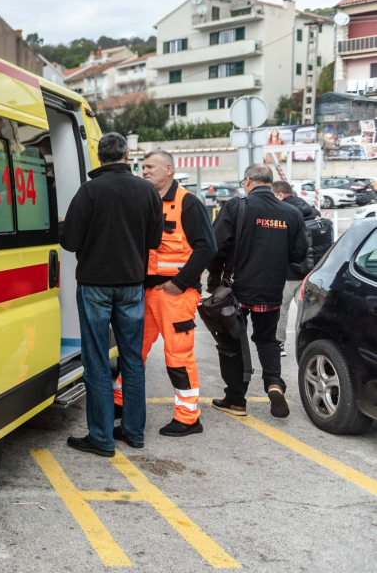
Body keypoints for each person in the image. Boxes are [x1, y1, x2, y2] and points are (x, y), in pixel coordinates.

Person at [60, 133, 163, 456]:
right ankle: (133, 433)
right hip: (132, 285)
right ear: (126, 155)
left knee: (96, 361)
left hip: (95, 286)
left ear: (99, 158)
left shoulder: (89, 191)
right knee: (133, 359)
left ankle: (101, 438)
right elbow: (155, 240)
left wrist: (66, 226)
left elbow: (71, 242)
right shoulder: (147, 191)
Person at [114, 151, 216, 437]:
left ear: (169, 169)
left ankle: (188, 417)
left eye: (149, 167)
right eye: (141, 166)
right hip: (144, 291)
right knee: (133, 351)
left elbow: (207, 248)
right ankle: (120, 401)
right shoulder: (145, 200)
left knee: (178, 356)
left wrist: (179, 283)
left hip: (175, 294)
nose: (143, 171)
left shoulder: (188, 203)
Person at [207, 165, 308, 418]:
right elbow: (299, 254)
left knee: (231, 342)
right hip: (271, 289)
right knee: (267, 340)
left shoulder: (235, 206)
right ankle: (274, 383)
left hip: (235, 291)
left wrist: (213, 281)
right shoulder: (291, 212)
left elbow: (215, 247)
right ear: (270, 183)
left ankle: (236, 400)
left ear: (249, 181)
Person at [271, 180, 319, 355]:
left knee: (281, 311)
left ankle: (279, 344)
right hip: (310, 273)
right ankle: (305, 344)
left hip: (287, 273)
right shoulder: (314, 211)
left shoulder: (282, 213)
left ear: (280, 195)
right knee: (305, 312)